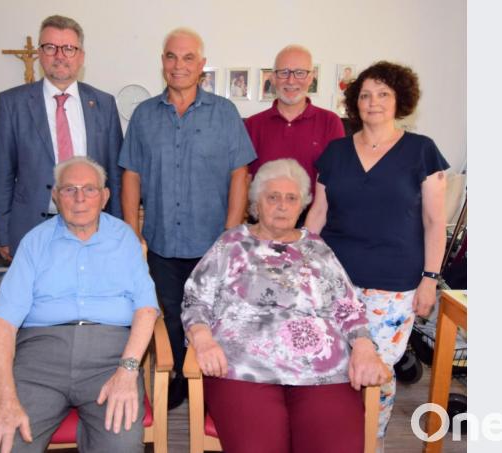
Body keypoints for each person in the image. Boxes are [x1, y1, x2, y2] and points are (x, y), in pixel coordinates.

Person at [181, 159, 391, 453]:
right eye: (273, 197)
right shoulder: (231, 244)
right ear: (257, 202)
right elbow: (195, 299)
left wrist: (365, 347)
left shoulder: (318, 248)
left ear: (302, 205)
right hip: (243, 369)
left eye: (291, 198)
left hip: (322, 372)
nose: (282, 206)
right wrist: (202, 339)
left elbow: (348, 307)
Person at [305, 61, 450, 447]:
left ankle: (370, 442)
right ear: (355, 103)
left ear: (400, 99)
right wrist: (297, 266)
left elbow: (436, 223)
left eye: (383, 94)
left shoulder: (422, 151)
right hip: (333, 284)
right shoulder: (335, 153)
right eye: (366, 95)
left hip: (394, 287)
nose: (374, 102)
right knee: (332, 372)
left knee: (376, 374)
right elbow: (317, 216)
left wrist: (430, 280)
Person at [0, 157, 160, 453]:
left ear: (105, 197)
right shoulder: (35, 242)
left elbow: (147, 310)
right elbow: (3, 322)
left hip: (109, 360)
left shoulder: (125, 239)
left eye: (89, 189)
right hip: (39, 361)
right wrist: (3, 400)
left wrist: (127, 371)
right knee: (6, 445)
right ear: (55, 196)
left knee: (121, 448)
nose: (79, 198)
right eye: (69, 189)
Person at [118, 27, 256, 410]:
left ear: (202, 65)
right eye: (171, 57)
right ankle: (179, 375)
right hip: (162, 244)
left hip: (212, 245)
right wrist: (133, 231)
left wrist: (231, 233)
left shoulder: (225, 114)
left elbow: (239, 174)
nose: (179, 65)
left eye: (188, 57)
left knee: (217, 320)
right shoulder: (144, 116)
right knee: (172, 319)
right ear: (162, 61)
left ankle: (214, 385)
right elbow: (131, 174)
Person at [0, 15, 124, 261]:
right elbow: (3, 174)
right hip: (31, 229)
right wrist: (4, 233)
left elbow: (114, 177)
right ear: (40, 53)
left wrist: (116, 228)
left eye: (69, 48)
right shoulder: (12, 103)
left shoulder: (104, 104)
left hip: (92, 228)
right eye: (51, 47)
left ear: (81, 56)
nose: (60, 56)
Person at [245, 45, 345, 226]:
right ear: (273, 78)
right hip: (263, 226)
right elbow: (245, 182)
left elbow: (337, 183)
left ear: (311, 78)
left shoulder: (330, 122)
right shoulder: (252, 125)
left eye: (299, 72)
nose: (291, 80)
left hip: (315, 226)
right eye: (283, 72)